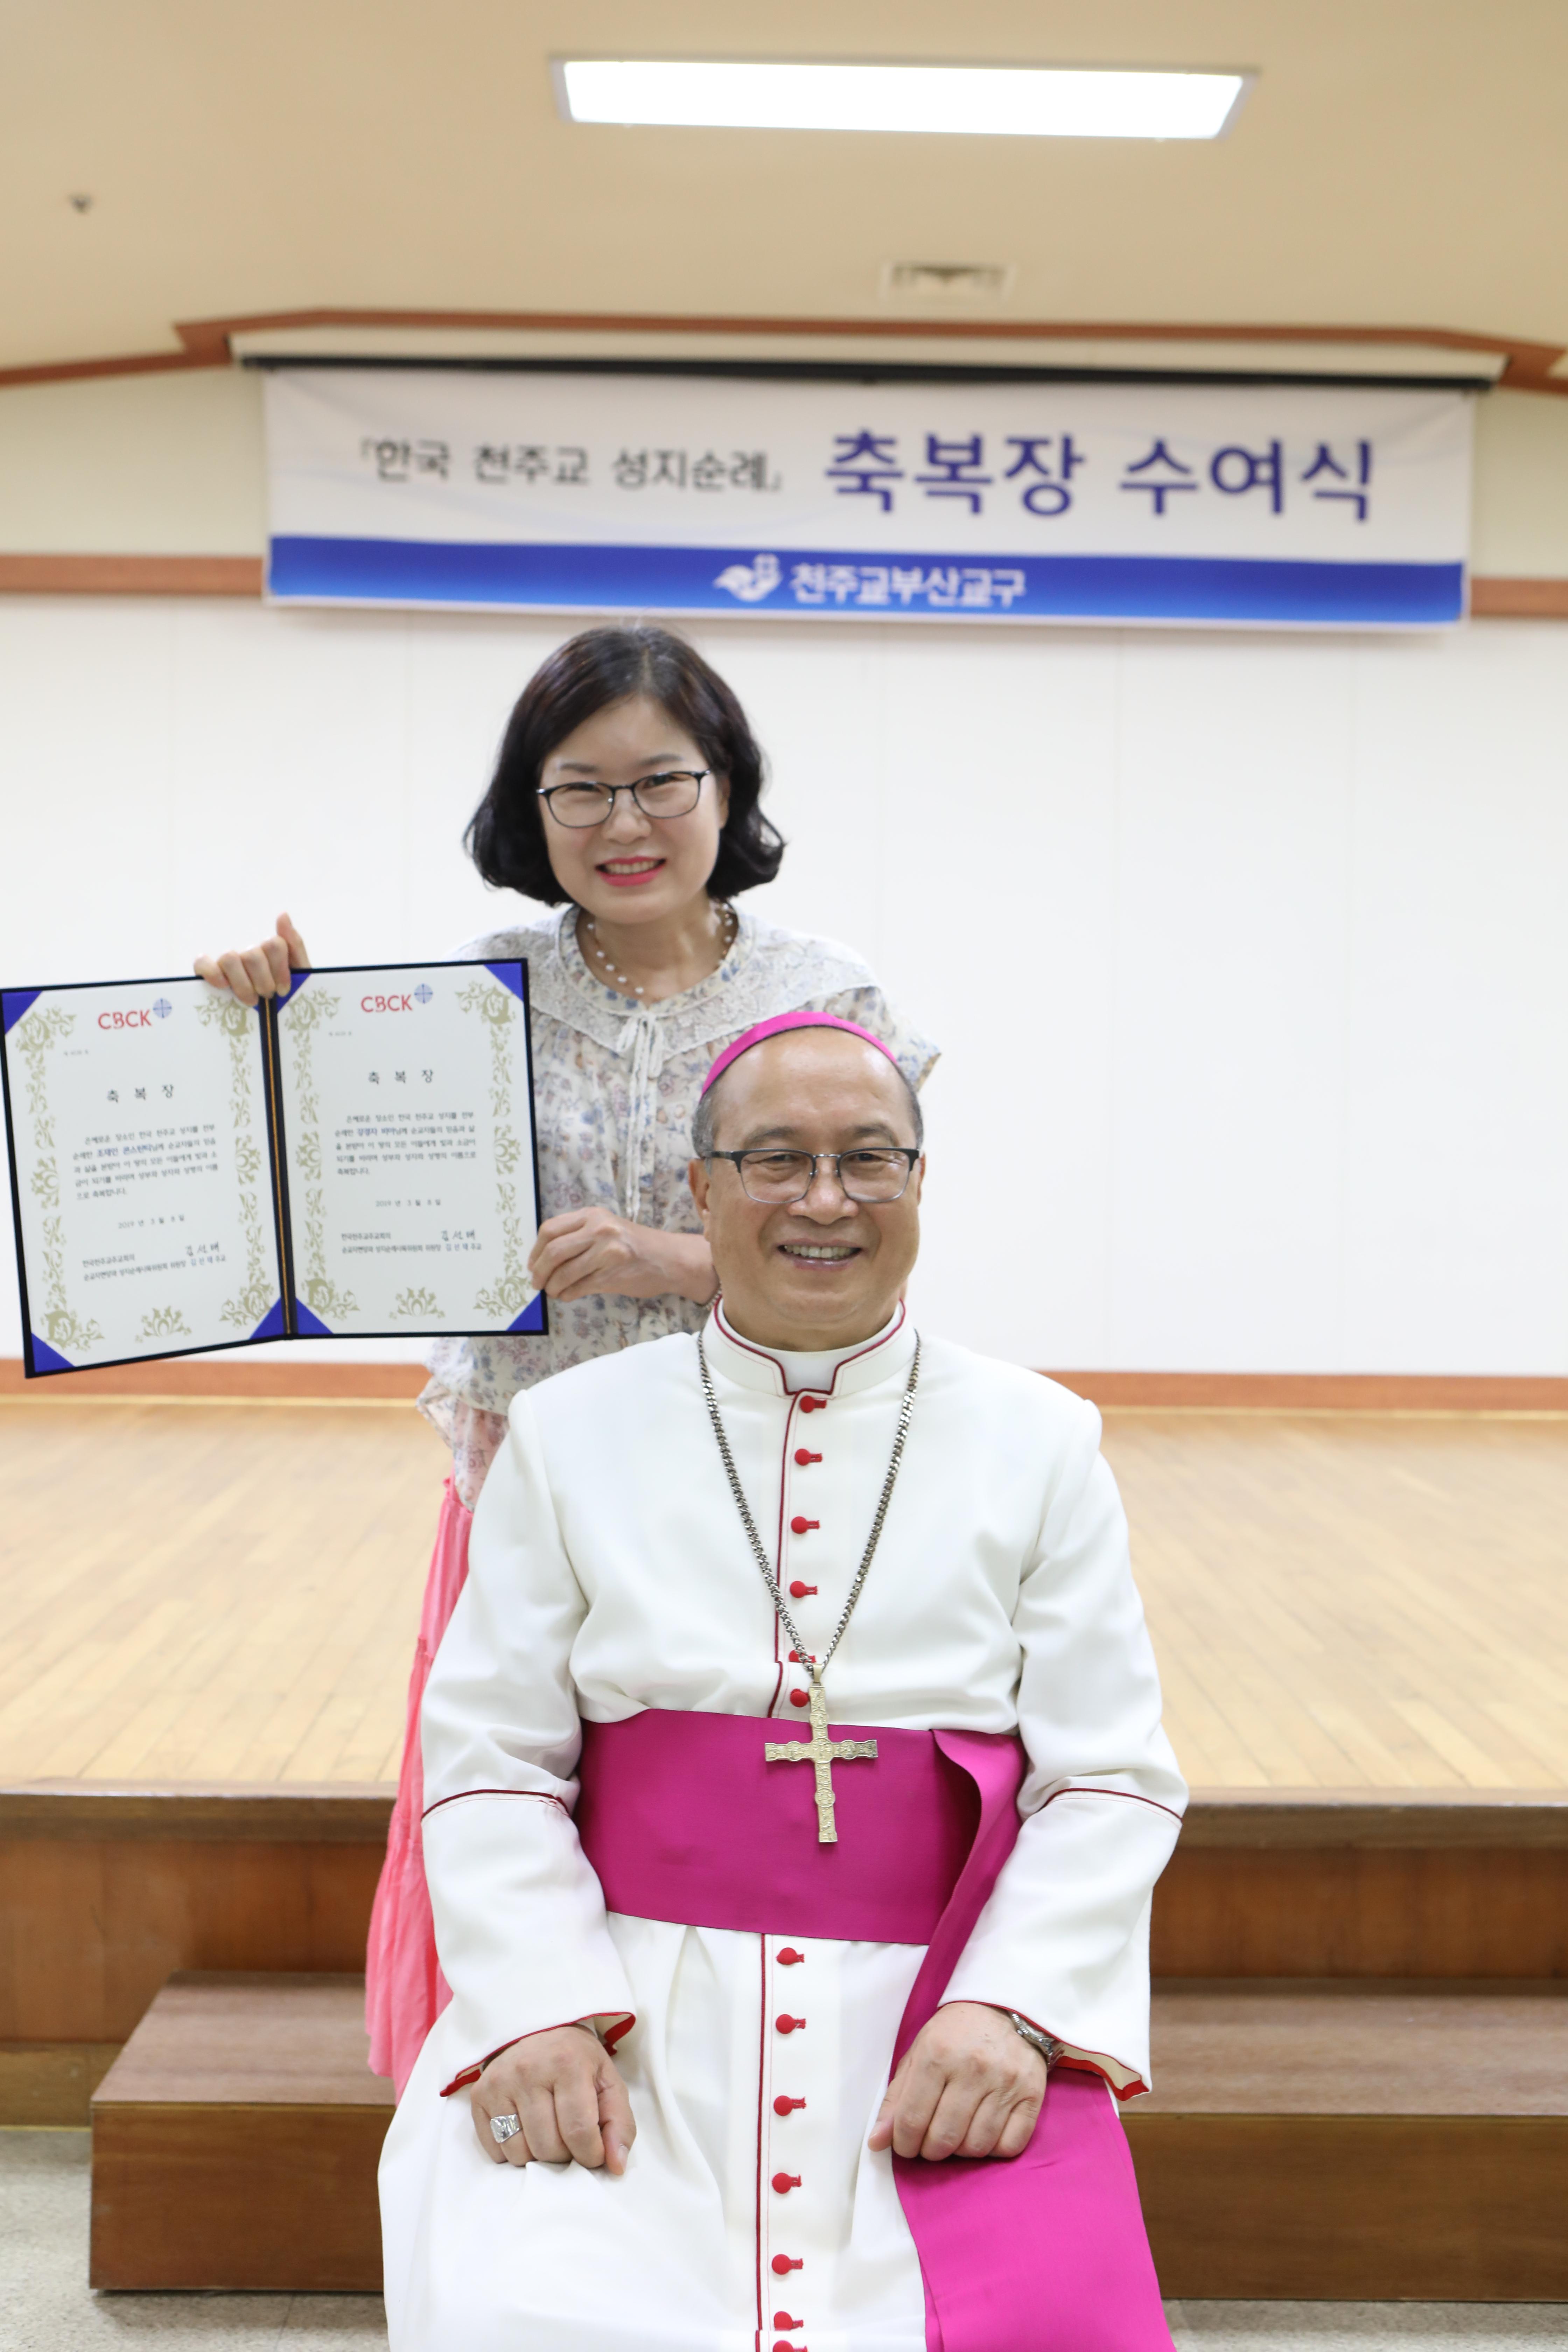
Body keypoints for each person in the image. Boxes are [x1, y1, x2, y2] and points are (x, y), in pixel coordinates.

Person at [194, 626, 937, 2091]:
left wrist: (681, 1256)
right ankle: (512, 2060)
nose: (622, 823)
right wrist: (258, 1031)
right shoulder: (475, 990)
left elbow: (868, 1230)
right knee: (509, 1781)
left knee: (709, 1787)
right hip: (530, 1469)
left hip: (760, 1470)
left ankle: (727, 2090)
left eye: (661, 781)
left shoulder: (827, 995)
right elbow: (323, 1186)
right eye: (577, 789)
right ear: (528, 811)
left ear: (728, 790)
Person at [379, 1012, 1187, 2352]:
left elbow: (1109, 1776)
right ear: (702, 1190)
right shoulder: (568, 1433)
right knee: (529, 2305)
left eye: (870, 1159)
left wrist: (1010, 2010)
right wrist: (539, 2006)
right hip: (628, 1996)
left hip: (936, 2007)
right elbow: (488, 1758)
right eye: (776, 1160)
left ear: (920, 1182)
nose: (826, 1200)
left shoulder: (1042, 1440)